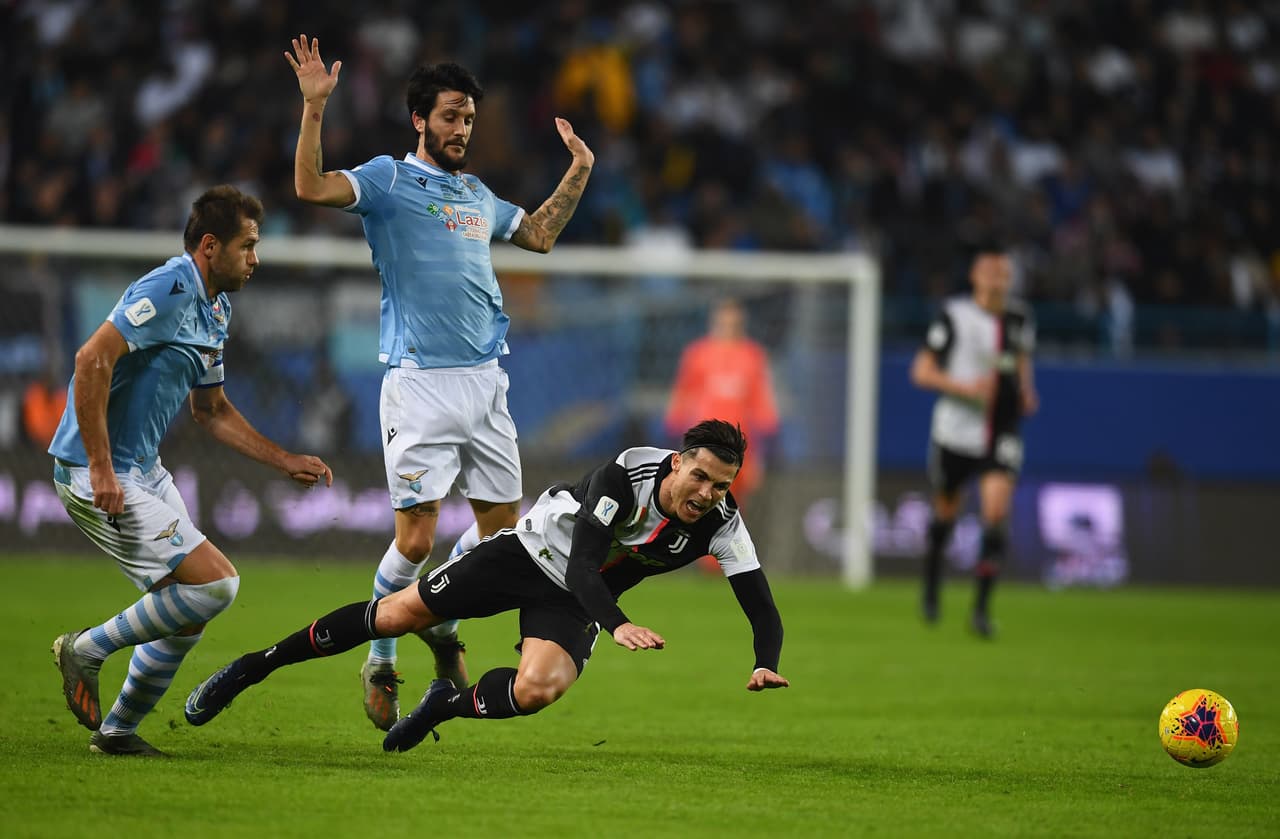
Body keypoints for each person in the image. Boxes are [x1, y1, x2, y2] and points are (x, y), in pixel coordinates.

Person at [284, 35, 596, 730]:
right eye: (452, 116)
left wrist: (579, 171)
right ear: (420, 119)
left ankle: (439, 618)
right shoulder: (388, 182)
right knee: (417, 540)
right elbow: (309, 187)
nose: (463, 129)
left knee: (498, 538)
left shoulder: (476, 194)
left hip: (486, 383)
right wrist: (313, 109)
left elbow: (539, 236)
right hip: (420, 384)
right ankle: (383, 657)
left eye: (470, 120)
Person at [183, 419, 789, 751]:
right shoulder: (626, 473)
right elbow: (583, 565)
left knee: (538, 690)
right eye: (702, 477)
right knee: (393, 617)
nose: (708, 494)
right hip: (528, 555)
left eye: (722, 485)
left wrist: (766, 660)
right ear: (680, 461)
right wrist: (618, 622)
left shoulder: (722, 525)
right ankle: (250, 668)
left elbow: (761, 606)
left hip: (571, 597)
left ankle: (440, 705)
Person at [47, 185, 334, 756]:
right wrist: (102, 466)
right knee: (218, 583)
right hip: (93, 471)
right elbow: (90, 359)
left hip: (142, 470)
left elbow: (211, 410)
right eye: (248, 246)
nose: (256, 258)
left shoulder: (216, 307)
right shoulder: (171, 287)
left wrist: (284, 460)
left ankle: (118, 733)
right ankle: (87, 647)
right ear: (210, 246)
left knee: (188, 612)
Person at [909, 242, 1038, 637]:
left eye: (1004, 273)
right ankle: (931, 589)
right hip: (956, 430)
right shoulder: (955, 316)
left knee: (996, 513)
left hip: (1002, 429)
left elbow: (1020, 358)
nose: (998, 279)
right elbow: (922, 371)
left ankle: (981, 609)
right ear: (975, 277)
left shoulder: (1020, 317)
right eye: (991, 272)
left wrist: (1028, 390)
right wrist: (964, 388)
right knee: (946, 509)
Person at [665, 298, 779, 514]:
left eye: (733, 323)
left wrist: (759, 454)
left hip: (740, 447)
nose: (728, 328)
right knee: (692, 503)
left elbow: (762, 408)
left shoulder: (752, 356)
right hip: (702, 446)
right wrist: (678, 442)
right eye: (723, 322)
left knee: (729, 511)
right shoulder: (697, 354)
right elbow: (681, 400)